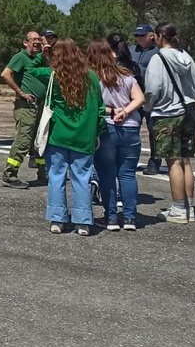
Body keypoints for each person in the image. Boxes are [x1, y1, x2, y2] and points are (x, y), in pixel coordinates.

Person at [32, 38, 103, 235]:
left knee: (56, 176)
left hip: (58, 135)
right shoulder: (92, 77)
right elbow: (100, 108)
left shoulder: (54, 75)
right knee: (82, 178)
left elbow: (31, 70)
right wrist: (98, 131)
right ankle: (83, 221)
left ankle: (57, 219)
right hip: (84, 136)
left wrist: (42, 55)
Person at [143, 22, 195, 224]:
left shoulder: (158, 58)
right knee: (186, 160)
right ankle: (189, 207)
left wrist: (149, 107)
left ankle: (177, 208)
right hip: (187, 112)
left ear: (159, 36)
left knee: (173, 161)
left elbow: (152, 88)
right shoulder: (186, 56)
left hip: (166, 113)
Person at [89, 39, 146, 230]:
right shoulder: (127, 76)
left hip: (107, 128)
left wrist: (112, 112)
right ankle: (130, 217)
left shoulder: (94, 78)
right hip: (130, 128)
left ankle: (111, 217)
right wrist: (125, 111)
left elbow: (95, 107)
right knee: (128, 174)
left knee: (107, 175)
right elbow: (140, 98)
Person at [0, 30, 47, 188]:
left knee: (41, 141)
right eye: (32, 40)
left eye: (38, 40)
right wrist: (21, 93)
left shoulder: (41, 59)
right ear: (25, 43)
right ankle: (10, 175)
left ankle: (42, 173)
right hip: (26, 107)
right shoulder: (21, 57)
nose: (36, 42)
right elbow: (6, 74)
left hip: (40, 107)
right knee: (23, 142)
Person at [131, 25, 161, 175]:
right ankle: (131, 160)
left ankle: (155, 162)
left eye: (142, 35)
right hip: (133, 97)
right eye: (137, 36)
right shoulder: (131, 50)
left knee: (153, 130)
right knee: (132, 129)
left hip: (152, 98)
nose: (139, 38)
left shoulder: (159, 52)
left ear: (152, 36)